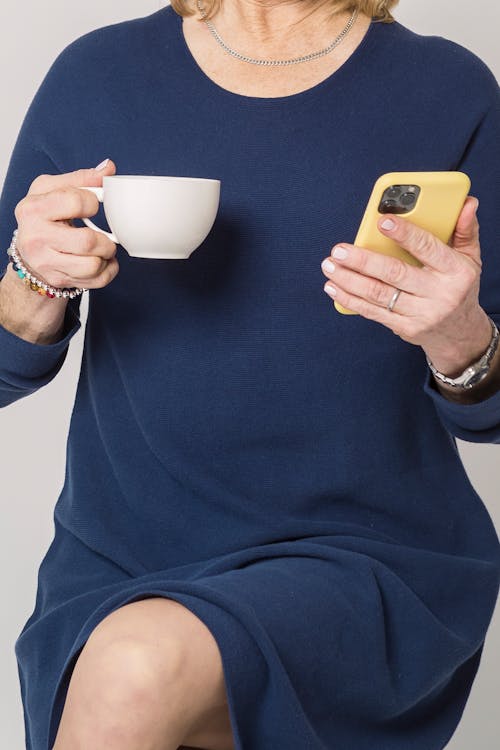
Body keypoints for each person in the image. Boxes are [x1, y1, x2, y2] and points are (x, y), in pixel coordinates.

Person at [0, 0, 499, 748]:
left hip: (364, 557)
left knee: (134, 666)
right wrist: (36, 283)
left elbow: (490, 409)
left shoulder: (449, 87)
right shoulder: (95, 74)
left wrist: (459, 337)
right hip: (117, 555)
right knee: (129, 655)